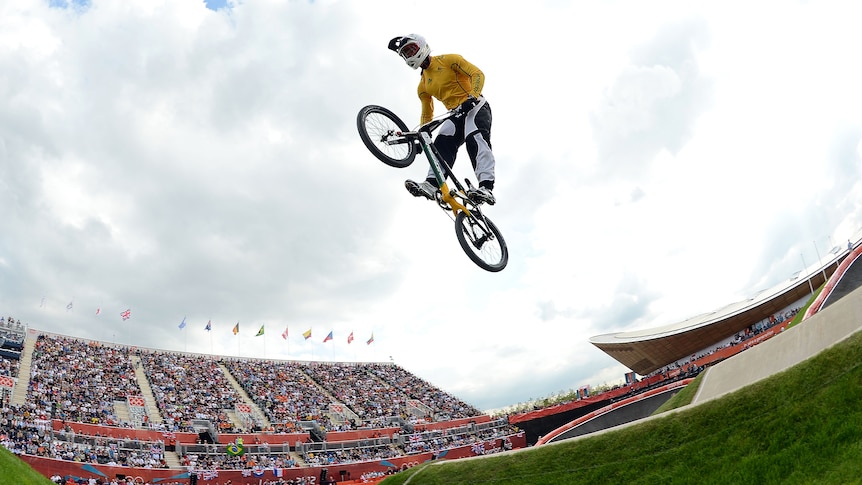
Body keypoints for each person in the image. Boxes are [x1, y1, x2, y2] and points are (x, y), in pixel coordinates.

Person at [387, 34, 497, 205]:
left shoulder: (449, 60)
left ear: (422, 46)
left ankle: (486, 188)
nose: (410, 55)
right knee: (441, 143)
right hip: (455, 114)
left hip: (475, 106)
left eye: (411, 49)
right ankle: (432, 185)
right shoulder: (423, 86)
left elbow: (477, 74)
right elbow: (427, 113)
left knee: (474, 138)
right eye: (406, 53)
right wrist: (424, 133)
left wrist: (472, 96)